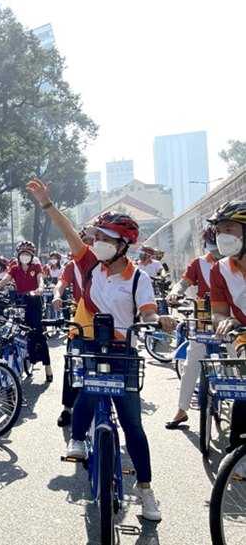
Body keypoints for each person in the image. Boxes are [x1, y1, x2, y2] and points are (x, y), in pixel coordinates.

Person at [27, 178, 174, 522]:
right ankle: (77, 439)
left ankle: (147, 490)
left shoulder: (140, 279)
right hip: (90, 346)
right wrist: (47, 203)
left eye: (107, 240)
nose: (99, 244)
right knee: (87, 396)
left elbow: (148, 312)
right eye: (99, 239)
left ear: (124, 245)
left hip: (122, 353)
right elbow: (69, 235)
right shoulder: (90, 265)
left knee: (133, 425)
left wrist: (158, 320)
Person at [165, 223, 223, 429]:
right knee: (190, 365)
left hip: (228, 321)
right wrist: (175, 292)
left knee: (238, 361)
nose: (217, 253)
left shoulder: (237, 262)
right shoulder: (199, 263)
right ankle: (181, 410)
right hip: (204, 321)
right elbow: (183, 282)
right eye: (213, 247)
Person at [206, 202, 246, 453]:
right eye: (219, 231)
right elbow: (218, 313)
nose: (223, 237)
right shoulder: (218, 270)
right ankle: (238, 454)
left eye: (229, 230)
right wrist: (226, 322)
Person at [0, 241, 53, 382]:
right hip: (19, 303)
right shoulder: (14, 268)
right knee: (11, 330)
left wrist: (40, 289)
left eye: (27, 254)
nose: (25, 256)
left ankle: (47, 367)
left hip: (34, 302)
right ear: (18, 256)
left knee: (37, 333)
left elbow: (40, 280)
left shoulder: (36, 267)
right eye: (22, 254)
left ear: (32, 256)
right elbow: (5, 280)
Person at [53, 228, 95, 427]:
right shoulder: (72, 266)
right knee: (73, 362)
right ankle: (67, 408)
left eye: (92, 241)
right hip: (80, 318)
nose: (89, 245)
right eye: (85, 241)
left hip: (107, 321)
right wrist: (57, 295)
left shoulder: (108, 264)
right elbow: (61, 283)